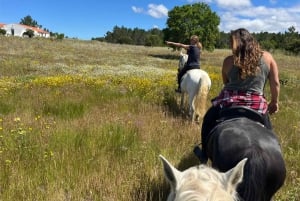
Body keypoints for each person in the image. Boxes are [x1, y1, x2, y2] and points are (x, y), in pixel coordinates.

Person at [197, 28, 280, 163]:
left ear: (235, 44)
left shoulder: (228, 61)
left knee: (208, 120)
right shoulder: (268, 57)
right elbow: (275, 83)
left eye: (231, 43)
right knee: (270, 133)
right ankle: (276, 152)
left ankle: (204, 153)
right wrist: (274, 102)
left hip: (230, 102)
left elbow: (226, 83)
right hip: (256, 104)